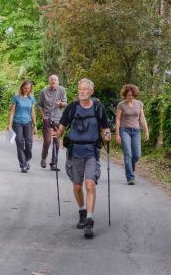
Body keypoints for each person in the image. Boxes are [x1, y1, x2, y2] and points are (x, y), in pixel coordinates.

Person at [55, 78, 111, 239]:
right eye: (80, 89)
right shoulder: (72, 108)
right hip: (75, 151)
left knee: (90, 184)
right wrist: (56, 134)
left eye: (85, 89)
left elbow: (105, 128)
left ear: (91, 91)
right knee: (77, 186)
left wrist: (107, 135)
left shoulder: (98, 108)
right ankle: (82, 211)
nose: (82, 91)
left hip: (92, 151)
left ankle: (89, 220)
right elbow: (61, 129)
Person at [115, 84, 149, 185]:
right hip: (124, 130)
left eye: (132, 95)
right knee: (128, 154)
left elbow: (142, 118)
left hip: (136, 131)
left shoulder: (139, 104)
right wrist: (117, 134)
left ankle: (130, 168)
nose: (130, 97)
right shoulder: (121, 105)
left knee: (137, 155)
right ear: (125, 95)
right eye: (128, 95)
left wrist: (146, 131)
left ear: (135, 95)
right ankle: (130, 177)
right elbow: (117, 120)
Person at [37, 74, 67, 170]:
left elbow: (65, 103)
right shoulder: (43, 92)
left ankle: (53, 164)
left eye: (55, 80)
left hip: (58, 119)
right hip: (47, 118)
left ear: (58, 81)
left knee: (56, 143)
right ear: (49, 81)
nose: (54, 81)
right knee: (47, 141)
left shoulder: (62, 90)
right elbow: (39, 105)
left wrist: (61, 104)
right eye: (52, 80)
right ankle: (43, 158)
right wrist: (43, 116)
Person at [7, 80, 37, 173]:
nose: (27, 90)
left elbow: (32, 112)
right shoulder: (16, 97)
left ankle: (26, 160)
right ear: (22, 88)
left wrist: (35, 125)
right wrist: (9, 124)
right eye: (25, 88)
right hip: (17, 123)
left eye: (28, 88)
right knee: (19, 142)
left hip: (28, 122)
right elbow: (12, 111)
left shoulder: (31, 98)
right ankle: (23, 165)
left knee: (29, 143)